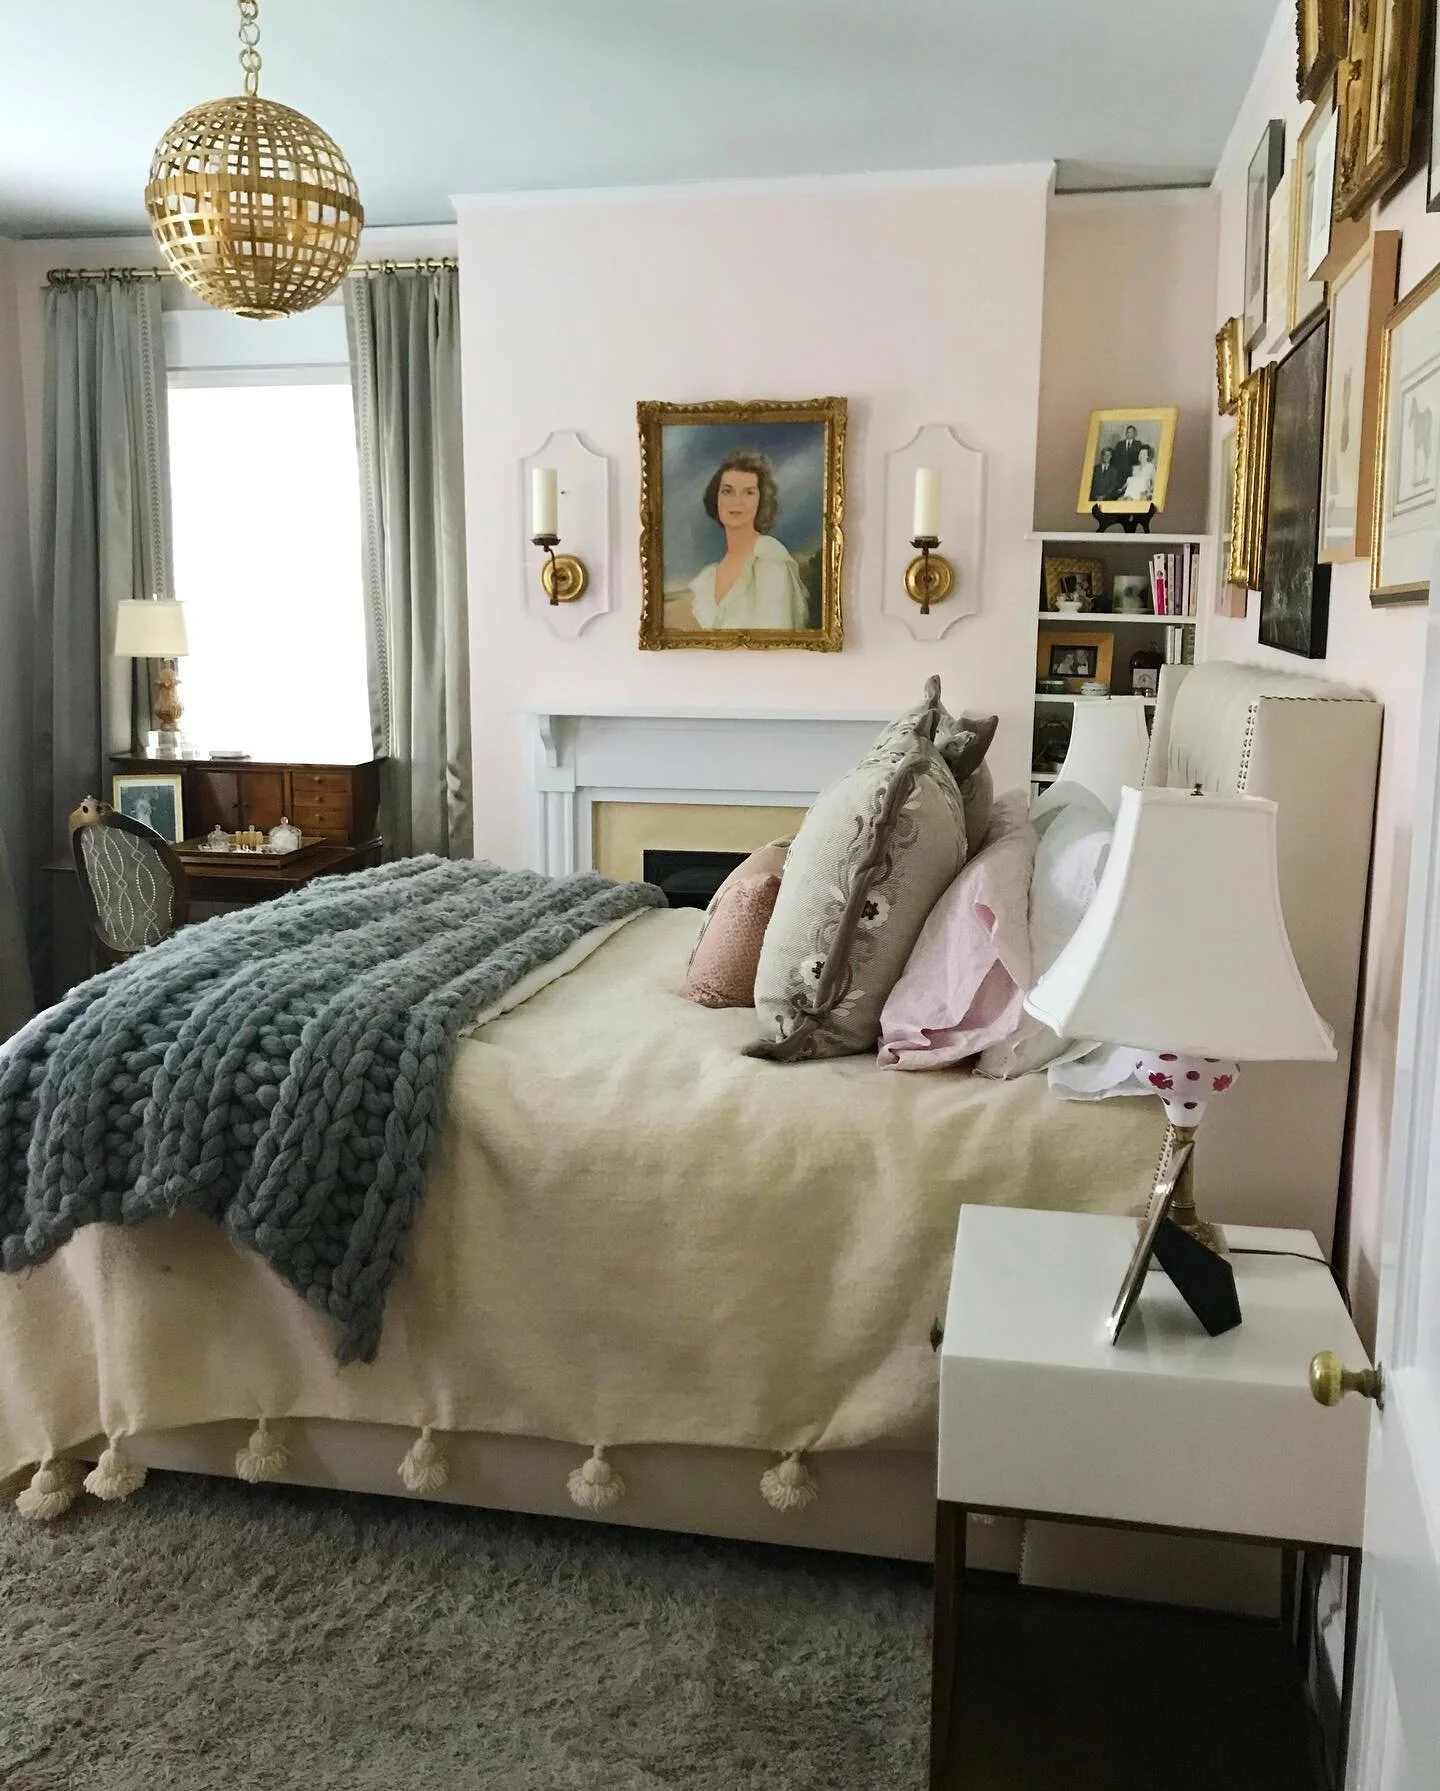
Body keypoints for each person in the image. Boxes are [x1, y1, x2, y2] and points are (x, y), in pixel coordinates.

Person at [688, 450, 810, 631]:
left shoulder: (769, 558)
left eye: (748, 493)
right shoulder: (707, 579)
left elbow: (776, 638)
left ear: (761, 501)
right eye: (727, 491)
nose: (736, 501)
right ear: (716, 498)